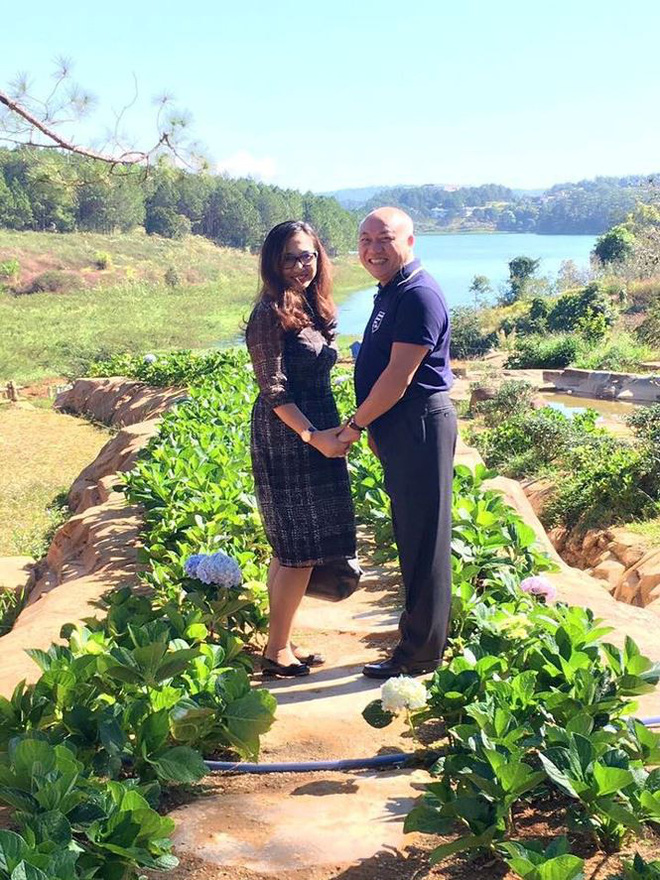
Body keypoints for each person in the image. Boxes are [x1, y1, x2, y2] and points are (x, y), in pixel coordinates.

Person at [338, 207, 457, 679]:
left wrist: (355, 425)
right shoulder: (393, 290)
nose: (373, 249)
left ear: (409, 241)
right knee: (412, 535)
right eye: (365, 240)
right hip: (401, 427)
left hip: (419, 424)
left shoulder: (418, 294)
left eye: (384, 239)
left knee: (425, 541)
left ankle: (419, 654)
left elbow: (397, 377)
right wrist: (377, 429)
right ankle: (420, 642)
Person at [246, 220, 356, 678]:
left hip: (317, 430)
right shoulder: (268, 313)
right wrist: (315, 436)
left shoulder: (314, 306)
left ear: (319, 257)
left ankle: (282, 641)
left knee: (290, 548)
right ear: (273, 262)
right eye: (289, 257)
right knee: (298, 549)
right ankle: (276, 651)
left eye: (307, 255)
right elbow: (273, 390)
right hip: (288, 436)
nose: (299, 266)